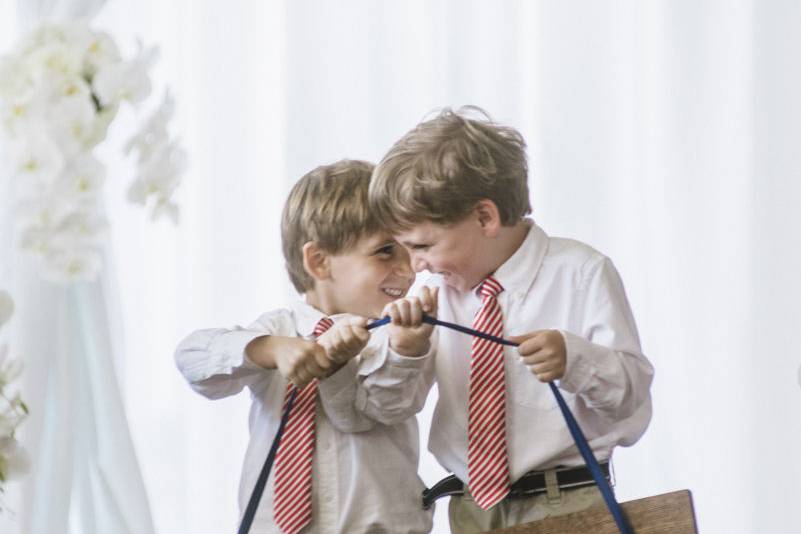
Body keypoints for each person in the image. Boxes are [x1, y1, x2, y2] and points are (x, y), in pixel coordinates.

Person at [368, 107, 654, 533]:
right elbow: (389, 409)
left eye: (423, 245)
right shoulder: (436, 299)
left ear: (485, 217)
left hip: (566, 500)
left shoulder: (581, 272)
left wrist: (574, 359)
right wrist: (406, 351)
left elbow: (632, 402)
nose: (417, 265)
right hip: (471, 508)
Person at [175, 159, 436, 534]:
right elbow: (194, 359)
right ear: (318, 261)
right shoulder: (278, 329)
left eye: (410, 250)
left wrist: (405, 351)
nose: (409, 269)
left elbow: (380, 409)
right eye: (385, 251)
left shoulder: (401, 336)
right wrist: (269, 350)